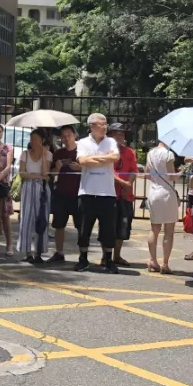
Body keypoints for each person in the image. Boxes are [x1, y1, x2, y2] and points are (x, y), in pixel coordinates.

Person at [75, 113, 120, 273]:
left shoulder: (111, 141)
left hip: (107, 193)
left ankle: (108, 260)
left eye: (106, 123)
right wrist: (105, 158)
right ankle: (83, 259)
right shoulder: (83, 142)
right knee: (84, 228)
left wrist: (93, 160)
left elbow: (115, 157)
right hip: (87, 192)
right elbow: (82, 161)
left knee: (108, 229)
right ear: (92, 126)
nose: (105, 127)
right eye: (102, 124)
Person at [145, 140, 180, 273]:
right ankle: (165, 263)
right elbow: (172, 176)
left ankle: (153, 260)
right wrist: (181, 172)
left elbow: (147, 174)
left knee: (154, 229)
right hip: (166, 193)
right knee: (169, 231)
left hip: (153, 192)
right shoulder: (168, 154)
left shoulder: (150, 153)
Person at [17, 129, 51, 264]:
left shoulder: (48, 154)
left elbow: (46, 173)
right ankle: (27, 252)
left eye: (36, 139)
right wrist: (37, 176)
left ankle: (39, 252)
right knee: (26, 218)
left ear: (42, 140)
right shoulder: (25, 154)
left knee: (41, 218)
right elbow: (22, 173)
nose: (33, 142)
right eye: (31, 139)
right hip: (28, 187)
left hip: (42, 189)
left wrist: (43, 156)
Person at [50, 124, 81, 263]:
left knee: (81, 226)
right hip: (61, 193)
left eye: (69, 135)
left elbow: (91, 170)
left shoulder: (82, 152)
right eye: (63, 136)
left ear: (75, 136)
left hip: (79, 194)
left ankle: (83, 254)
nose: (66, 138)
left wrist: (80, 168)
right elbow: (51, 174)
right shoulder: (58, 153)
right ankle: (59, 252)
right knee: (59, 225)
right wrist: (57, 168)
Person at [109, 123, 137, 267]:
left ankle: (117, 256)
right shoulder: (107, 152)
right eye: (116, 134)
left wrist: (128, 184)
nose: (120, 137)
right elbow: (107, 172)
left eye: (121, 134)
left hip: (126, 195)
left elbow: (133, 170)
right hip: (110, 194)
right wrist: (123, 183)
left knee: (123, 226)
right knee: (108, 226)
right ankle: (106, 256)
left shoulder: (129, 152)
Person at [0, 124, 15, 258]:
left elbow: (7, 167)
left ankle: (9, 244)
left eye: (0, 131)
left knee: (5, 216)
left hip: (2, 184)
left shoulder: (7, 148)